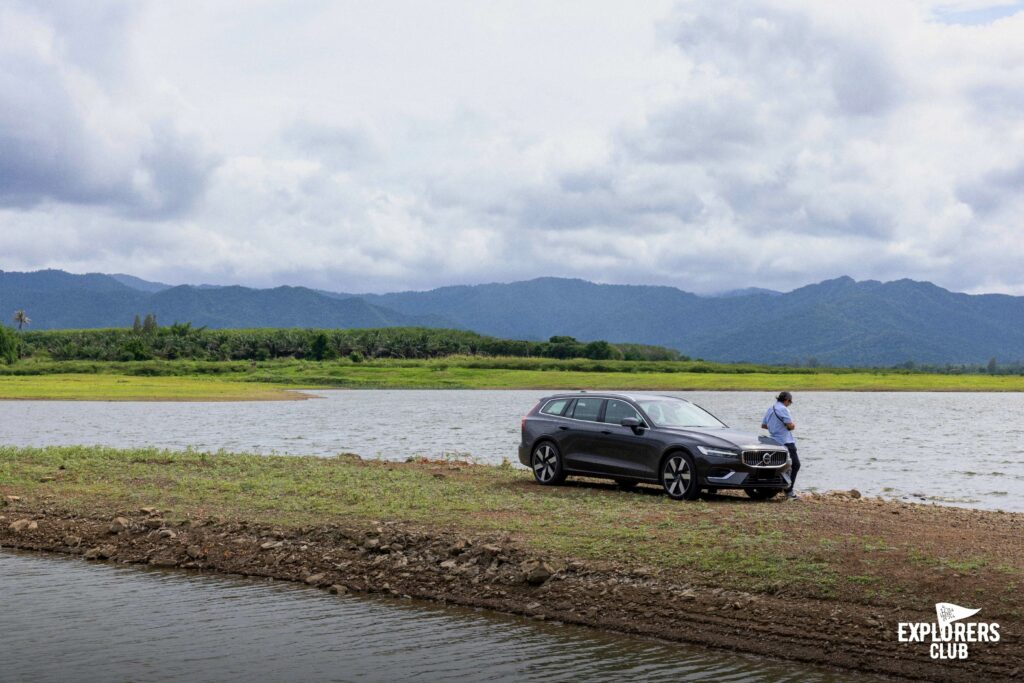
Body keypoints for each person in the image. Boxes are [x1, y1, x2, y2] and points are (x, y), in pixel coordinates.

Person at [761, 391, 800, 499]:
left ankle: (774, 488)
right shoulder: (784, 409)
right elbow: (790, 426)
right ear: (787, 400)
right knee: (795, 465)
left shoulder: (770, 408)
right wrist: (792, 426)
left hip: (773, 441)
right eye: (790, 402)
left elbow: (764, 425)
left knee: (777, 466)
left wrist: (775, 428)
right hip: (786, 441)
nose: (789, 404)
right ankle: (789, 491)